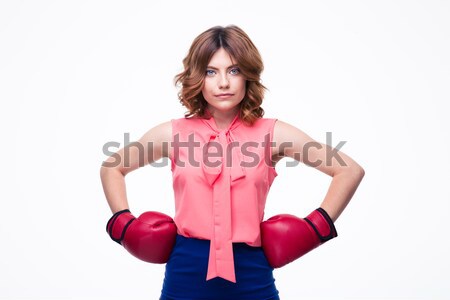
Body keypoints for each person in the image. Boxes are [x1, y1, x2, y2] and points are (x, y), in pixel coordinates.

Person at [100, 25, 365, 300]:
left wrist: (315, 228)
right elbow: (112, 167)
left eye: (234, 70)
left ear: (248, 75)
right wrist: (123, 223)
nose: (223, 82)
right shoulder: (173, 133)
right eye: (211, 71)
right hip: (185, 274)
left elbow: (348, 170)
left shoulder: (273, 133)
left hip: (252, 275)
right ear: (197, 77)